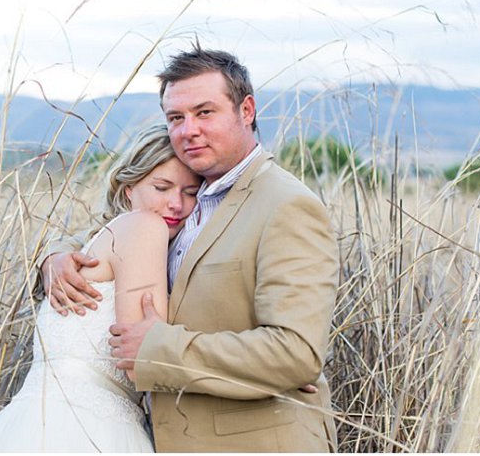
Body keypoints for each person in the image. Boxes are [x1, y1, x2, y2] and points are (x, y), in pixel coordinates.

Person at [42, 46, 340, 452]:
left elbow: (295, 353)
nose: (188, 130)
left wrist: (159, 350)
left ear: (246, 110)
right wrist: (55, 257)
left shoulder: (285, 205)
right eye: (176, 118)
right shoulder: (186, 198)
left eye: (205, 112)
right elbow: (111, 233)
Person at [0, 124, 202, 452]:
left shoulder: (97, 242)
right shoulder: (144, 227)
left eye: (190, 192)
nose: (176, 204)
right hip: (90, 429)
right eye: (162, 188)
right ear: (128, 189)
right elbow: (142, 362)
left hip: (30, 423)